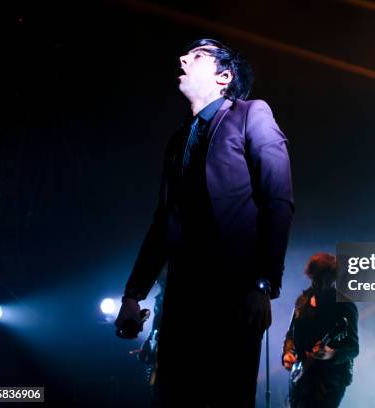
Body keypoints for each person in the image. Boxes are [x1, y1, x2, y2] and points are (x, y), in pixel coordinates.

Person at [114, 38, 294, 407]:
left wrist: (263, 283)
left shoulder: (250, 115)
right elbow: (163, 222)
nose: (182, 58)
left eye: (197, 56)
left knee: (225, 394)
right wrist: (133, 295)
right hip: (182, 296)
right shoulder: (178, 140)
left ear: (223, 76)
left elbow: (277, 200)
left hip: (234, 292)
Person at [283, 253, 359, 408]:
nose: (322, 285)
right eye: (318, 280)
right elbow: (291, 333)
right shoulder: (302, 302)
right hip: (303, 376)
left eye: (328, 281)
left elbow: (353, 347)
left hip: (331, 379)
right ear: (311, 276)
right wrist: (288, 353)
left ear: (334, 279)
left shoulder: (344, 305)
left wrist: (332, 353)